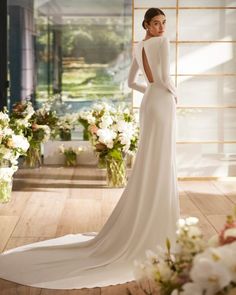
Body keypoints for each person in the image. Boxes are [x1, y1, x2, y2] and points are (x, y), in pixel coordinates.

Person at [0, 8, 179, 290]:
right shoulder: (163, 43)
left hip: (150, 104)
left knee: (150, 160)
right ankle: (158, 226)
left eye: (164, 23)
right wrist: (171, 93)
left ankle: (145, 217)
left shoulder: (138, 47)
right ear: (145, 24)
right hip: (164, 102)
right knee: (161, 159)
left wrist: (153, 91)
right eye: (156, 23)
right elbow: (166, 78)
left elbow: (133, 82)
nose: (161, 27)